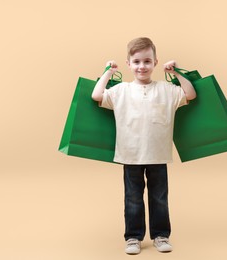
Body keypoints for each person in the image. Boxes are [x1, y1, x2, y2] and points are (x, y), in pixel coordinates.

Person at [91, 37, 196, 255]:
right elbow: (97, 95)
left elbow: (190, 94)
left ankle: (161, 235)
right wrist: (108, 73)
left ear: (156, 62)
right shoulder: (121, 90)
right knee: (132, 198)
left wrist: (177, 73)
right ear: (128, 64)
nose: (142, 66)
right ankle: (133, 237)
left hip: (158, 154)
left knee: (159, 197)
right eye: (137, 62)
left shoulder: (167, 89)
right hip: (130, 155)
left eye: (147, 61)